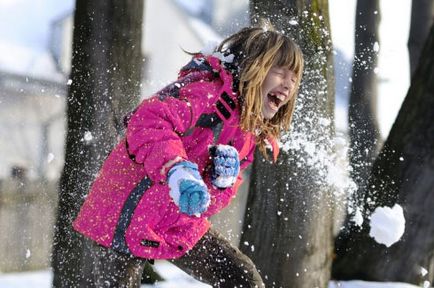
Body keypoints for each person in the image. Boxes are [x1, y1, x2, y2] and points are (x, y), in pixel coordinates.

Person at [73, 23, 304, 288]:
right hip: (125, 211)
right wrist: (177, 168)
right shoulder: (209, 93)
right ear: (255, 67)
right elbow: (148, 120)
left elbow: (205, 205)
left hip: (175, 222)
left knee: (242, 278)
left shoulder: (248, 133)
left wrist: (220, 183)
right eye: (280, 72)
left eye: (294, 78)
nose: (288, 85)